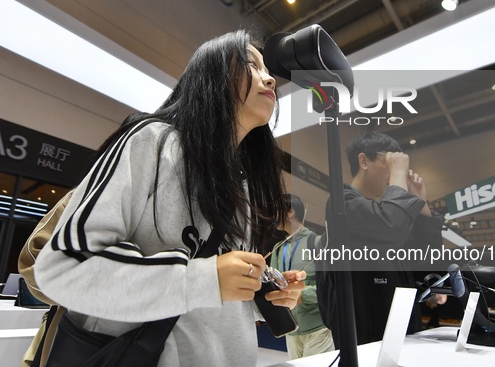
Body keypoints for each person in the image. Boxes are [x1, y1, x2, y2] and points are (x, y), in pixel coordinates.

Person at [34, 30, 306, 367]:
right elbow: (64, 269)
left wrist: (259, 295)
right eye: (251, 64)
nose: (269, 78)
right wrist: (205, 278)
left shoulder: (243, 184)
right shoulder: (151, 142)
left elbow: (206, 299)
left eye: (267, 69)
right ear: (214, 74)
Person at [323, 132, 443, 347]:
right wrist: (399, 179)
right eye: (389, 162)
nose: (398, 171)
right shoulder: (342, 202)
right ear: (364, 161)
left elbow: (427, 262)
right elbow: (389, 225)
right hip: (367, 329)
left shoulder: (391, 213)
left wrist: (421, 206)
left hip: (404, 325)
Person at [270, 194, 334, 359]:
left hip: (318, 328)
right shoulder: (278, 247)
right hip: (291, 330)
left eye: (277, 211)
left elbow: (330, 287)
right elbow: (275, 284)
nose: (273, 215)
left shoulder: (317, 242)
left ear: (290, 212)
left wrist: (301, 294)